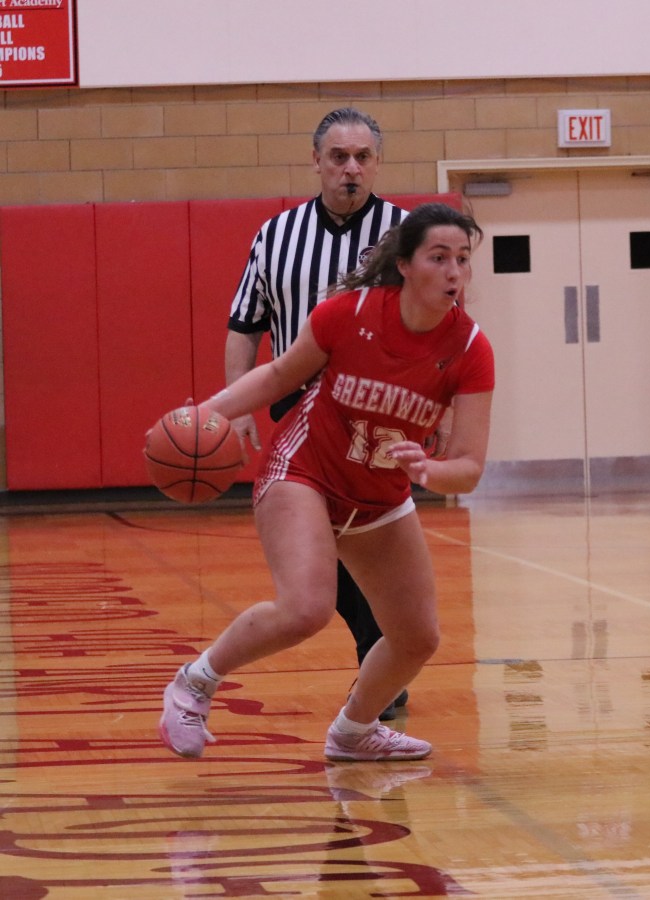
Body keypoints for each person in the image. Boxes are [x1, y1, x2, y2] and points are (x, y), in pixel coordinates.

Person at [159, 203, 494, 761]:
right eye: (439, 257)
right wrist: (207, 415)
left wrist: (430, 471)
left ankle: (354, 731)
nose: (454, 271)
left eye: (462, 258)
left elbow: (470, 466)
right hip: (305, 472)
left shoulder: (469, 348)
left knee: (418, 637)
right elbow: (278, 374)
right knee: (307, 608)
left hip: (381, 497)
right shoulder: (349, 312)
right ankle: (194, 682)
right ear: (406, 265)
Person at [226, 106, 410, 719]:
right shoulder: (276, 235)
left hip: (376, 418)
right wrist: (237, 404)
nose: (350, 169)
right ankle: (379, 663)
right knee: (321, 547)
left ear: (377, 164)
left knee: (369, 543)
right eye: (338, 157)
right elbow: (244, 324)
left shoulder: (406, 235)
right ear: (317, 162)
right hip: (301, 414)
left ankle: (382, 664)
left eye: (362, 157)